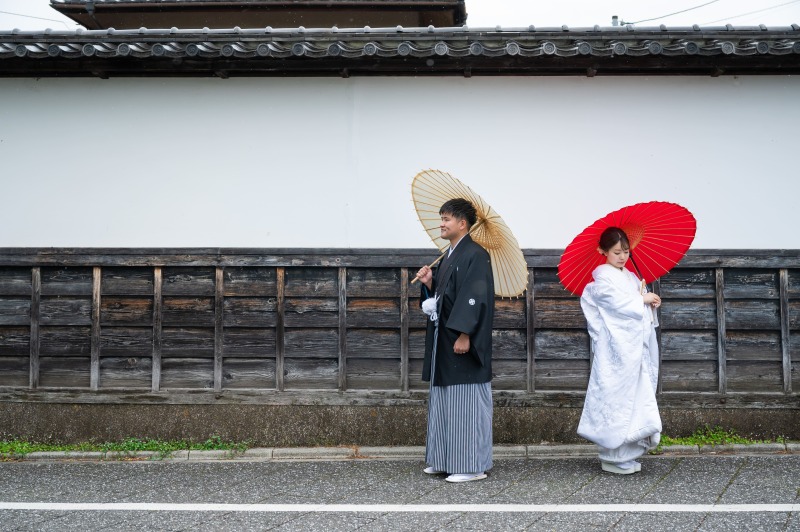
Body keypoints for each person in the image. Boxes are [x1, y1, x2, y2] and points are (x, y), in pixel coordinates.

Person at [415, 198, 495, 483]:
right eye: (441, 218)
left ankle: (471, 465)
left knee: (465, 401)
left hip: (461, 340)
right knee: (444, 400)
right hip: (443, 338)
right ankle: (444, 458)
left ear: (462, 223)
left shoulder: (476, 254)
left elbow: (474, 297)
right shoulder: (450, 254)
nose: (442, 223)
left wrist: (465, 333)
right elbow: (447, 295)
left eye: (447, 219)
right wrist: (429, 284)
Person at [577, 226, 662, 475]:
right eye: (616, 252)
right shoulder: (602, 278)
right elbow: (614, 307)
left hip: (634, 348)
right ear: (602, 251)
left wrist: (650, 301)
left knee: (635, 397)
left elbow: (637, 306)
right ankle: (612, 456)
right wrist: (640, 301)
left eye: (626, 251)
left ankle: (629, 451)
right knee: (616, 397)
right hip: (616, 351)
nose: (622, 257)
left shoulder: (631, 277)